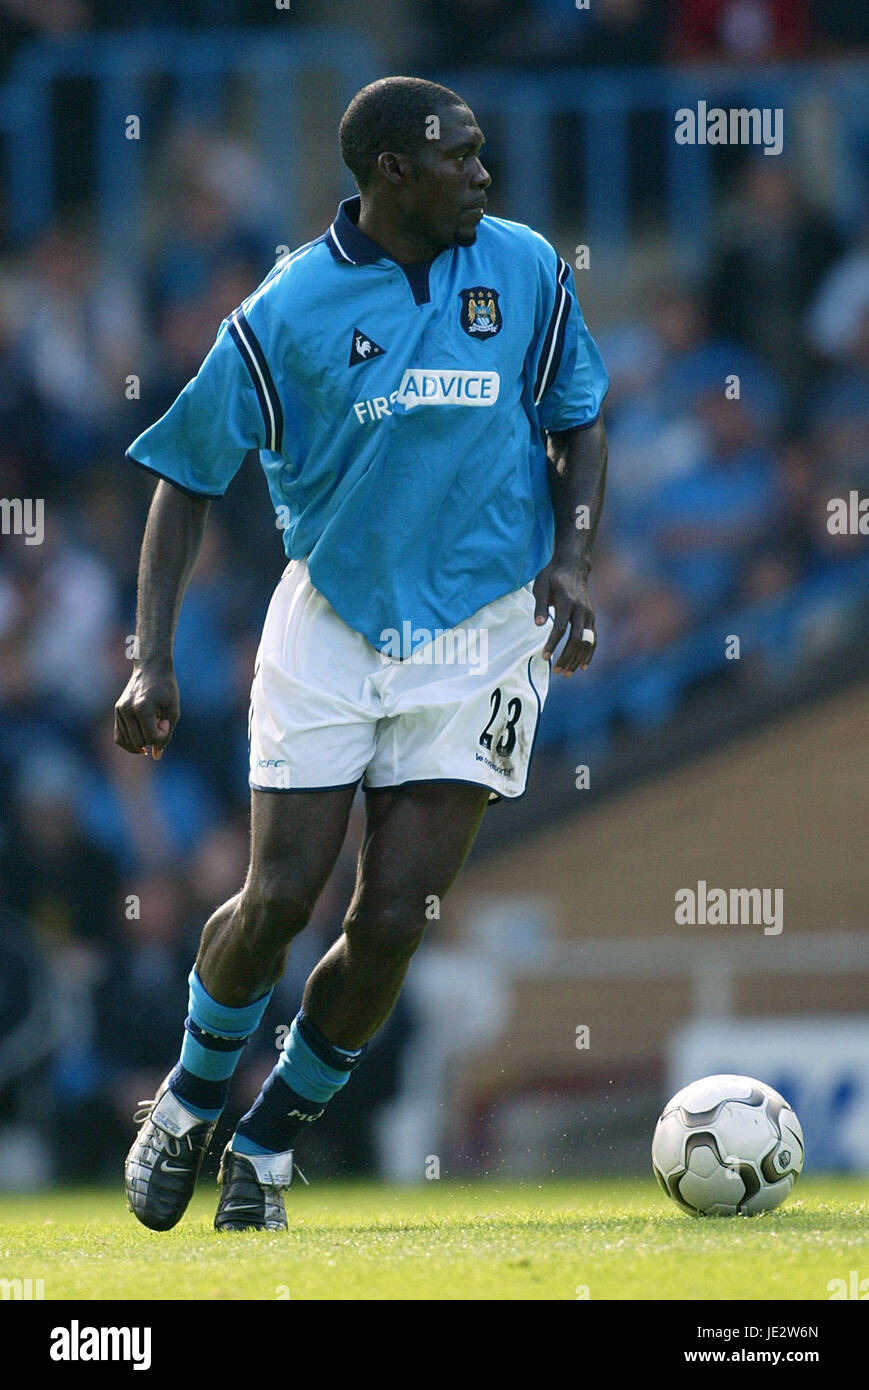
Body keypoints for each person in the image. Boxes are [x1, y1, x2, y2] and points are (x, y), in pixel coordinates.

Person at [115, 76, 609, 1232]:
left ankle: (268, 1145)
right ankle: (187, 1101)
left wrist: (574, 563)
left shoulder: (526, 268)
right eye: (460, 157)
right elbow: (183, 478)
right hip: (330, 624)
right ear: (391, 169)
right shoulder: (286, 310)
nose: (482, 174)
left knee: (392, 916)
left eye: (484, 154)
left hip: (484, 634)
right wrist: (151, 657)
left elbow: (578, 419)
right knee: (279, 897)